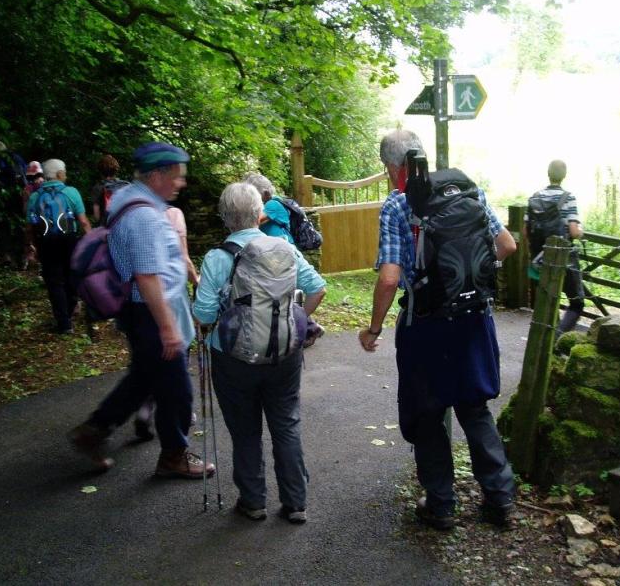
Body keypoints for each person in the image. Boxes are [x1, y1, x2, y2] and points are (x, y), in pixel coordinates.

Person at [358, 129, 517, 531]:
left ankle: (441, 506)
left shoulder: (397, 206)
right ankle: (500, 499)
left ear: (392, 167)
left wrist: (374, 328)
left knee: (428, 415)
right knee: (475, 408)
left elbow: (391, 277)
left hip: (426, 325)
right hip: (474, 320)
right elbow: (507, 245)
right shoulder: (467, 189)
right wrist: (470, 280)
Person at [67, 142, 213, 480]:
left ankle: (93, 431)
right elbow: (147, 278)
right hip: (150, 312)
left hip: (142, 311)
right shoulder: (145, 216)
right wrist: (168, 328)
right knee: (177, 390)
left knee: (143, 379)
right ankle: (173, 457)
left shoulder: (127, 199)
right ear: (158, 175)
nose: (182, 183)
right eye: (178, 177)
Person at [192, 182, 326, 523]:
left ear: (225, 218)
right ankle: (296, 503)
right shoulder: (283, 248)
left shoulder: (216, 258)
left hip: (233, 358)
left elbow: (205, 314)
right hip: (284, 353)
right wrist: (297, 321)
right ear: (259, 213)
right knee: (287, 424)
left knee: (245, 430)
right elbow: (317, 288)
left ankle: (253, 502)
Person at [132, 203, 200, 441]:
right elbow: (183, 258)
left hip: (143, 298)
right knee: (179, 351)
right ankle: (181, 411)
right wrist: (197, 280)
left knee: (156, 354)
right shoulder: (174, 214)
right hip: (172, 293)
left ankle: (145, 407)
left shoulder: (137, 216)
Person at [243, 172, 325, 347]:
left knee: (299, 293)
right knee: (284, 298)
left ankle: (302, 327)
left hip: (283, 256)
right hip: (273, 257)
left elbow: (253, 222)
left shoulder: (273, 204)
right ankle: (308, 327)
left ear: (263, 193)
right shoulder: (272, 204)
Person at [25, 159, 91, 334]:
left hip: (46, 241)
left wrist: (32, 245)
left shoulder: (35, 196)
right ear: (60, 174)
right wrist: (92, 241)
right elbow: (83, 221)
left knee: (54, 281)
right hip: (69, 240)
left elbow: (30, 226)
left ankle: (64, 323)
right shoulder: (71, 192)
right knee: (71, 275)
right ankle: (70, 307)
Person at [525, 159, 585, 335]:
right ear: (564, 176)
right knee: (577, 302)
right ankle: (557, 337)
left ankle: (547, 338)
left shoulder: (535, 197)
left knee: (547, 300)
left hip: (539, 259)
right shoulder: (568, 198)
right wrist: (581, 232)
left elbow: (525, 230)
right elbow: (574, 231)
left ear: (548, 174)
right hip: (563, 258)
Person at [90, 153, 129, 226]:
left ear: (100, 171)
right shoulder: (126, 185)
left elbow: (97, 216)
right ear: (116, 170)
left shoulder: (98, 188)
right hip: (125, 227)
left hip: (107, 229)